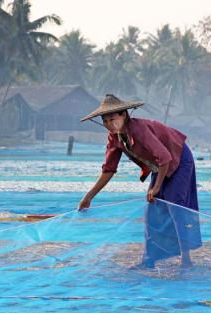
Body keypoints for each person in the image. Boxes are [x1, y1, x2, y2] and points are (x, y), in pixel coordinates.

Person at [78, 94, 202, 269]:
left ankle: (186, 259)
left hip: (178, 156)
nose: (108, 124)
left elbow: (165, 157)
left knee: (175, 205)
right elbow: (108, 170)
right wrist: (89, 196)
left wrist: (157, 186)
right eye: (105, 121)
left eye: (112, 119)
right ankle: (149, 260)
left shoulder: (139, 130)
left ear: (124, 116)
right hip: (160, 164)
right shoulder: (114, 137)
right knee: (152, 210)